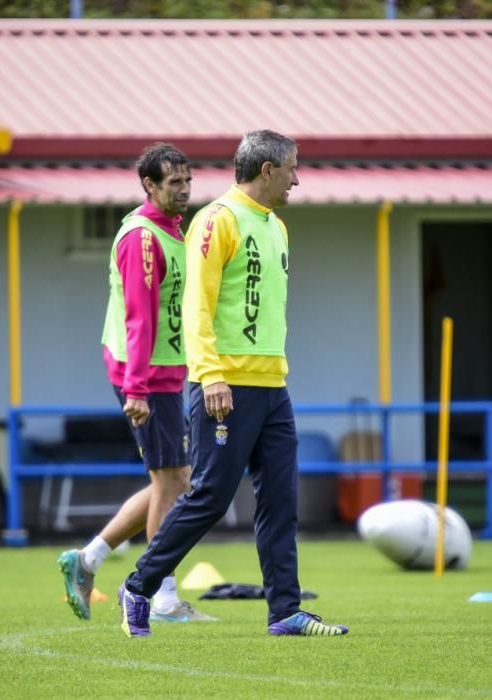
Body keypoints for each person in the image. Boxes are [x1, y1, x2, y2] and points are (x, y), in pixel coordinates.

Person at [117, 129, 349, 638]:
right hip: (224, 386)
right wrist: (213, 374)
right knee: (209, 498)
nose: (297, 178)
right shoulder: (217, 220)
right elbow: (196, 305)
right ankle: (138, 586)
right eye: (291, 168)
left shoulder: (277, 227)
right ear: (267, 171)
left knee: (281, 499)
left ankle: (285, 611)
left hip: (273, 386)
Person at [58, 143, 215, 624]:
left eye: (188, 181)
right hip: (145, 374)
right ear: (149, 185)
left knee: (171, 480)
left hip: (167, 371)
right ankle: (160, 595)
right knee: (176, 483)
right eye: (174, 183)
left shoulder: (172, 228)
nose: (185, 190)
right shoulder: (142, 238)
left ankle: (87, 560)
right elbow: (138, 319)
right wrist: (136, 388)